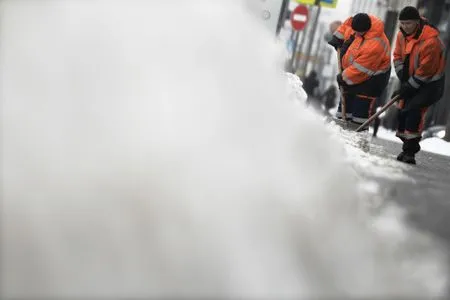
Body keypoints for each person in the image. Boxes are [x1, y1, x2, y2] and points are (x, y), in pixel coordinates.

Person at [391, 6, 445, 164]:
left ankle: (410, 152)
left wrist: (408, 87)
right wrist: (402, 74)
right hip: (411, 79)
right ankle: (406, 147)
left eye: (408, 23)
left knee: (414, 111)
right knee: (402, 113)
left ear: (416, 22)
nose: (405, 26)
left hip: (430, 83)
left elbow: (426, 70)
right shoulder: (401, 35)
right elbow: (397, 56)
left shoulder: (430, 41)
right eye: (402, 23)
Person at [328, 13, 391, 128]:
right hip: (353, 73)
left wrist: (343, 77)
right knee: (345, 103)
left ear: (365, 30)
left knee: (360, 109)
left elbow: (361, 70)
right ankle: (340, 131)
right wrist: (338, 36)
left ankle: (357, 137)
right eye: (354, 30)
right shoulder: (356, 25)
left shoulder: (375, 44)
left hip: (373, 78)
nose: (355, 34)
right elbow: (346, 25)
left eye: (359, 32)